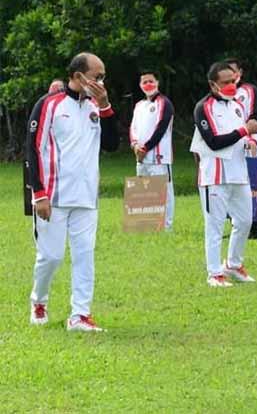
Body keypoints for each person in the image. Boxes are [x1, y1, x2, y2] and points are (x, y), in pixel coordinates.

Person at [27, 52, 119, 332]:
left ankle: (80, 315)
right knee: (51, 256)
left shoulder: (96, 106)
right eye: (97, 76)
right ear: (78, 76)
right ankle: (38, 300)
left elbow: (113, 144)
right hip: (53, 197)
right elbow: (32, 149)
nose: (101, 82)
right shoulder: (49, 104)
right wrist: (39, 193)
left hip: (86, 197)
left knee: (84, 255)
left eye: (103, 77)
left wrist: (105, 106)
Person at [192, 62, 257, 287]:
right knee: (214, 225)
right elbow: (213, 142)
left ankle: (232, 264)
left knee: (245, 220)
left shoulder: (237, 107)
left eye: (233, 81)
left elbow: (240, 136)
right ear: (213, 84)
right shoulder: (203, 107)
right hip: (214, 176)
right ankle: (214, 273)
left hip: (238, 173)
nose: (231, 86)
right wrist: (245, 131)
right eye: (226, 82)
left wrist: (249, 141)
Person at [129, 69, 175, 232]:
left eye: (151, 81)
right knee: (144, 192)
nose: (148, 84)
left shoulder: (164, 102)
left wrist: (146, 147)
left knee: (164, 193)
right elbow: (133, 127)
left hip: (159, 158)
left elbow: (161, 128)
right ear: (140, 85)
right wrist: (135, 145)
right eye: (144, 82)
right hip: (141, 158)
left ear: (157, 83)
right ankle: (145, 225)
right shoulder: (139, 105)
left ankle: (166, 228)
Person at [226, 58, 257, 239]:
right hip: (231, 148)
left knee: (253, 187)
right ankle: (236, 225)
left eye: (233, 71)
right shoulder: (224, 94)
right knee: (233, 187)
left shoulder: (250, 90)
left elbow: (253, 117)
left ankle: (255, 228)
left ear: (240, 72)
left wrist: (252, 141)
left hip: (250, 145)